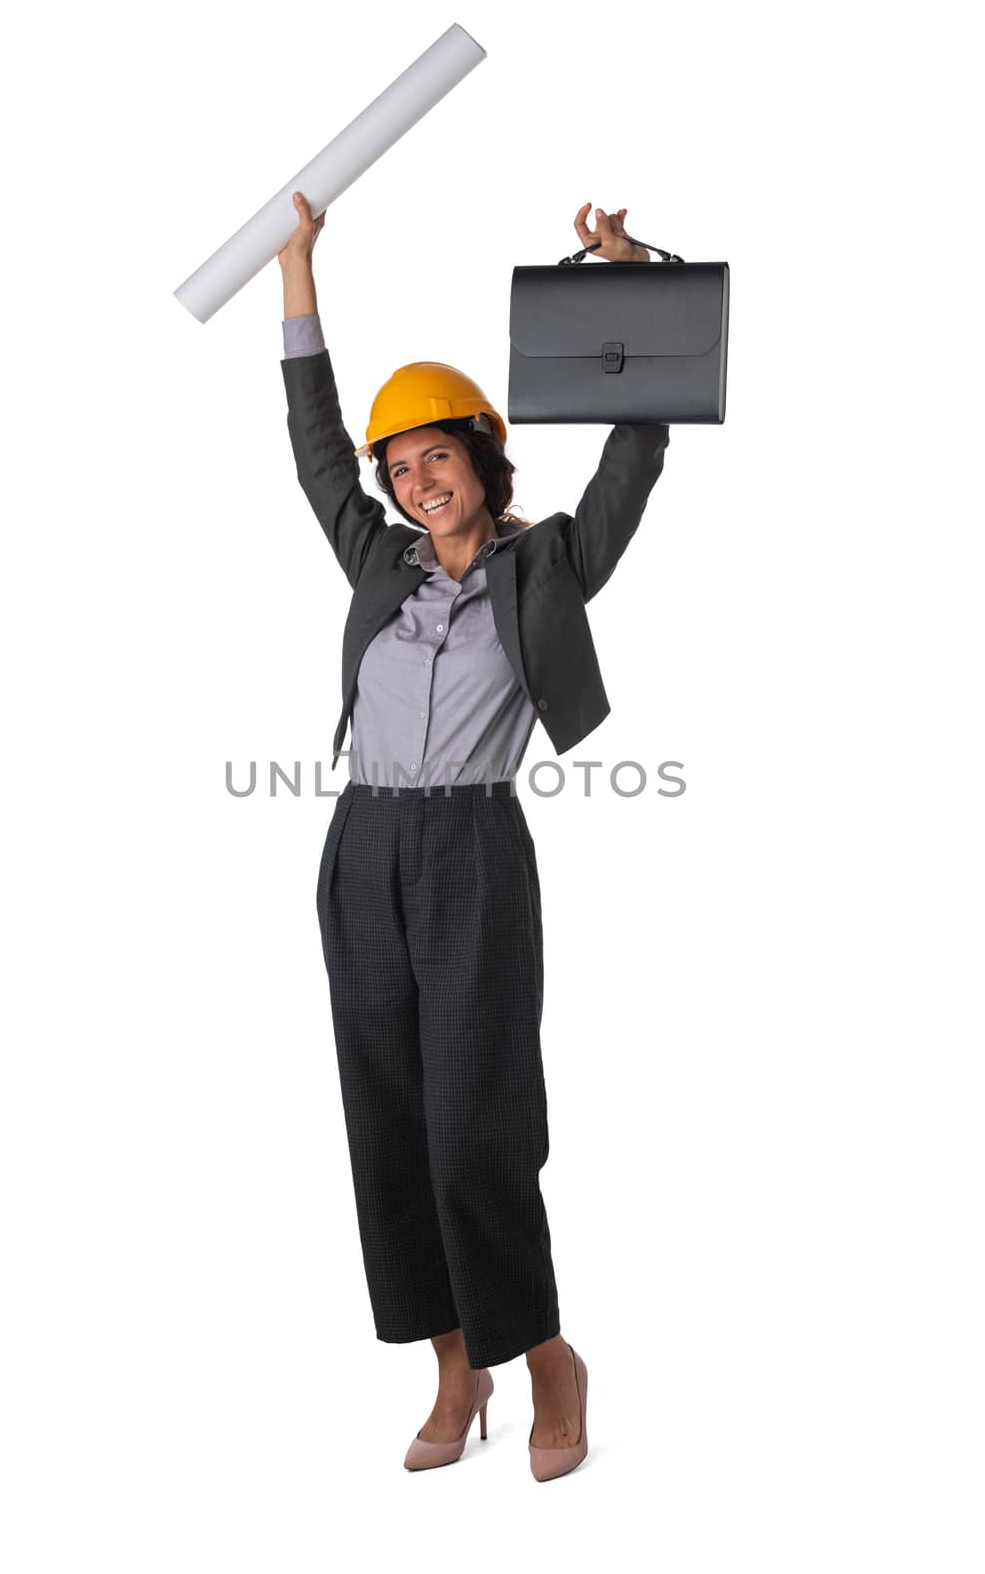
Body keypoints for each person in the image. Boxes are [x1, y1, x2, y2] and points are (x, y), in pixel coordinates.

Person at [277, 192, 669, 1479]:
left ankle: (545, 1351)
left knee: (476, 1119)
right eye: (400, 468)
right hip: (360, 850)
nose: (411, 480)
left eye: (434, 456)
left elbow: (633, 451)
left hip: (473, 856)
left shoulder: (547, 563)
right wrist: (296, 272)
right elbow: (314, 448)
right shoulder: (376, 562)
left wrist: (619, 280)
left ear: (483, 459)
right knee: (386, 1117)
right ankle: (455, 1364)